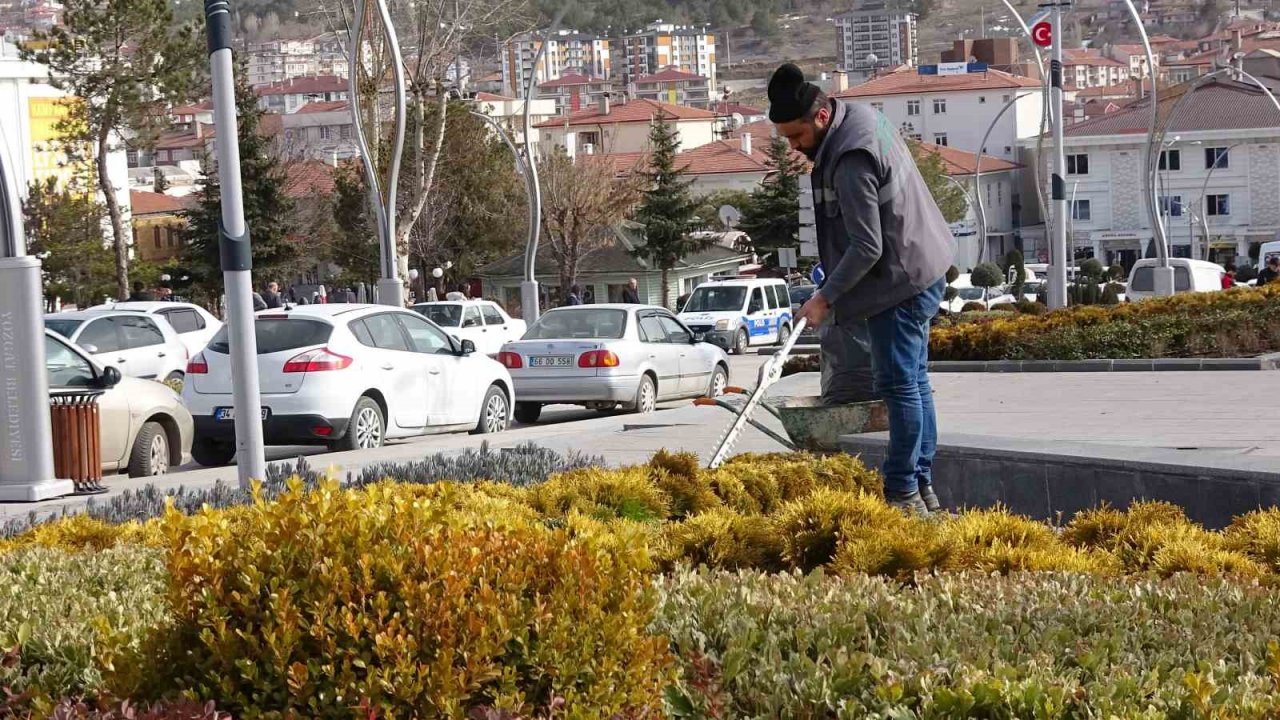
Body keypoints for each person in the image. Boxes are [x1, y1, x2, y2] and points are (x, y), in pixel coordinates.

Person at [772, 63, 956, 515]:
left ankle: (901, 495)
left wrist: (823, 298)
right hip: (922, 266)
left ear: (818, 118)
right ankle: (922, 486)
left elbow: (868, 246)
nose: (794, 149)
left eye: (795, 137)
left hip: (899, 283)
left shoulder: (851, 156)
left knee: (898, 387)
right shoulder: (860, 118)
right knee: (915, 383)